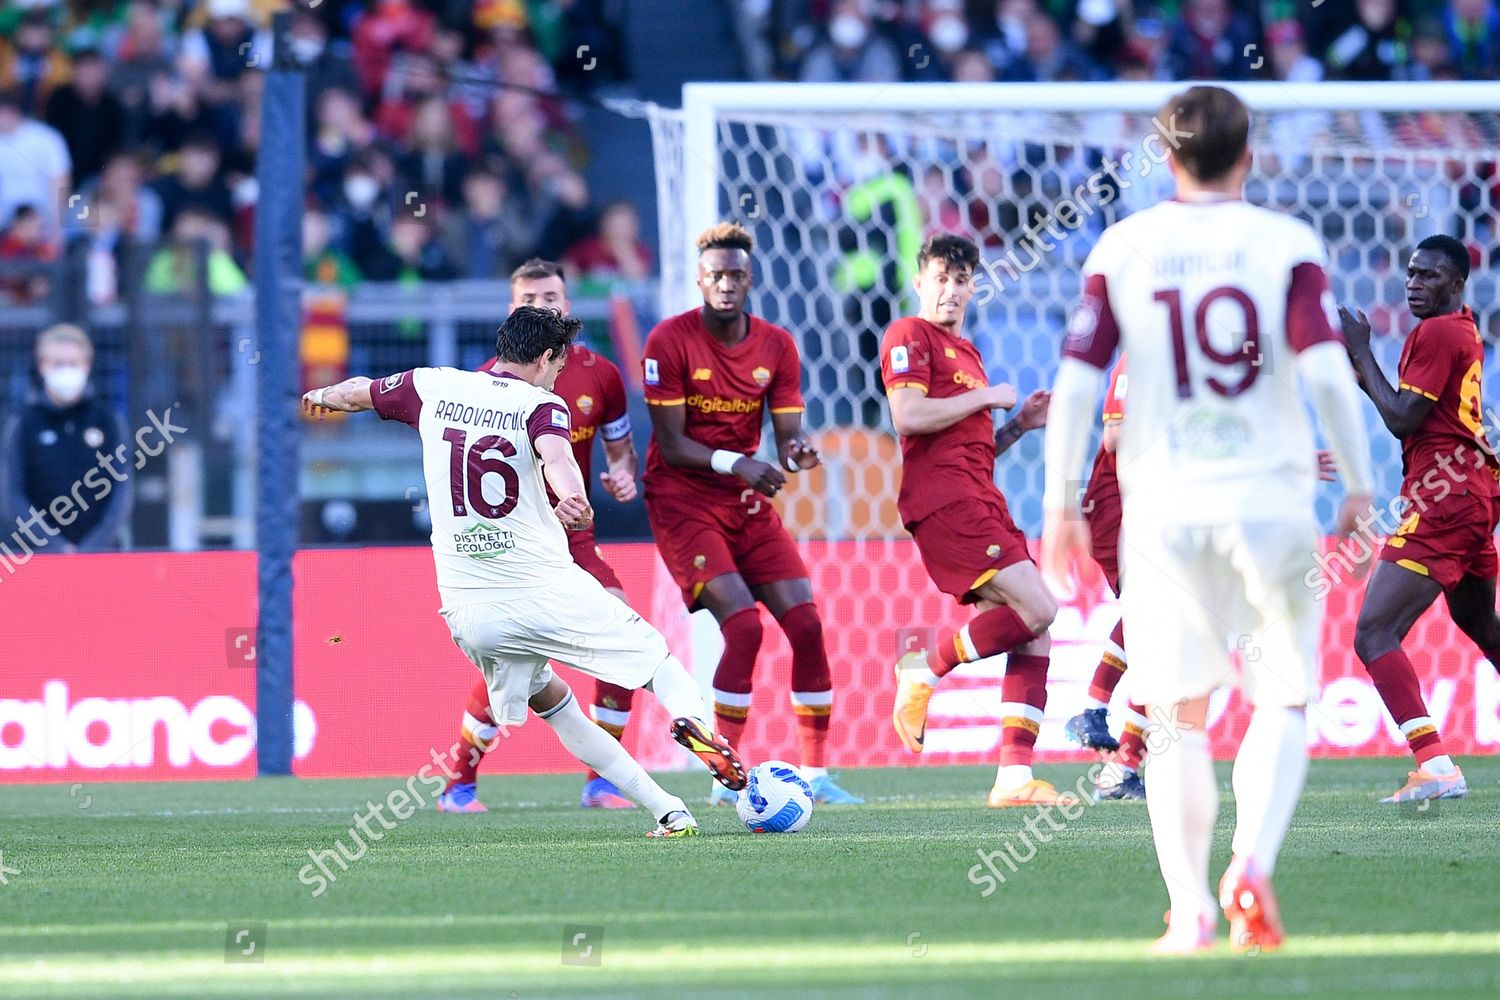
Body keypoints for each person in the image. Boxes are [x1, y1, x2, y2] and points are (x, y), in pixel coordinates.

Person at [1042, 85, 1374, 955]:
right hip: (1268, 499)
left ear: (1166, 153)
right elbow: (1330, 373)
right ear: (1248, 154)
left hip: (1166, 508)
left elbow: (1078, 379)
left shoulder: (1125, 246)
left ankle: (1188, 909)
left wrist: (1056, 500)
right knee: (1284, 697)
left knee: (1177, 717)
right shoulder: (1284, 244)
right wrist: (1362, 483)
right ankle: (1251, 867)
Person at [301, 306, 746, 838]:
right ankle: (695, 724)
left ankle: (669, 812)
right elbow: (557, 458)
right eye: (558, 364)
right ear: (543, 358)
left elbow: (357, 393)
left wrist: (320, 398)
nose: (559, 374)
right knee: (657, 663)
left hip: (469, 611)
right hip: (541, 587)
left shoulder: (432, 385)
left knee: (557, 707)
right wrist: (574, 497)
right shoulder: (542, 405)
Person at [642, 221, 862, 806]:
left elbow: (787, 435)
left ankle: (816, 776)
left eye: (736, 274)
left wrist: (798, 451)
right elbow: (670, 442)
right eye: (716, 275)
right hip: (682, 500)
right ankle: (725, 774)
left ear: (750, 277)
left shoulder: (776, 346)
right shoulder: (668, 341)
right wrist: (739, 463)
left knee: (809, 626)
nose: (726, 284)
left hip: (742, 500)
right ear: (699, 279)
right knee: (743, 627)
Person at [434, 259, 646, 813]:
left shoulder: (601, 374)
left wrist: (622, 472)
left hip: (574, 538)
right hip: (513, 543)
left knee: (621, 626)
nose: (544, 306)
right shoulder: (483, 384)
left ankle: (602, 780)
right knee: (512, 659)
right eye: (531, 298)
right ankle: (459, 779)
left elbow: (620, 448)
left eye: (552, 296)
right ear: (513, 311)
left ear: (568, 305)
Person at [881, 233, 1063, 808]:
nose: (951, 290)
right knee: (1040, 607)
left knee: (1035, 630)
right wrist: (985, 398)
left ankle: (1013, 778)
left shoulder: (969, 354)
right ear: (919, 282)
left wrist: (1017, 425)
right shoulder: (908, 335)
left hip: (981, 494)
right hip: (945, 501)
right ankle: (922, 673)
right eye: (941, 278)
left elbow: (971, 446)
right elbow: (907, 416)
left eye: (961, 281)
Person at [1341, 235, 1500, 804]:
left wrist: (1361, 351)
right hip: (1475, 495)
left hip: (1446, 501)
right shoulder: (1460, 328)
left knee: (1373, 631)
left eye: (1429, 276)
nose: (1415, 283)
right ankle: (1435, 765)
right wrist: (1362, 368)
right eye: (1411, 274)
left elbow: (1404, 419)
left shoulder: (1436, 332)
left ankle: (1435, 764)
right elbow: (1407, 408)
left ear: (1457, 285)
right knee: (1485, 630)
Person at [1062, 354, 1149, 801]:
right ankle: (1101, 724)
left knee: (1159, 627)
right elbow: (1115, 437)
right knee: (1157, 619)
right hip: (1118, 503)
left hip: (1161, 506)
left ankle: (1118, 756)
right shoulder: (1139, 356)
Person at [2, 324, 132, 553]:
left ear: (87, 366)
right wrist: (56, 547)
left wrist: (92, 547)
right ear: (43, 366)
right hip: (37, 557)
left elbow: (122, 493)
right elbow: (12, 496)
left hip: (101, 556)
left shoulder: (109, 422)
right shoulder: (23, 424)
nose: (66, 371)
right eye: (58, 364)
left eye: (73, 364)